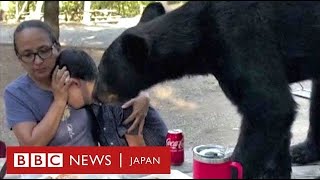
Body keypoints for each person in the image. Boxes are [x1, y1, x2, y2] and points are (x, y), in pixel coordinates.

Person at [3, 20, 151, 146]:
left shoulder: (73, 67)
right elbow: (31, 146)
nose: (38, 61)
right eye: (28, 55)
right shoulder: (16, 93)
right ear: (19, 58)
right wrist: (59, 101)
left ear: (57, 47)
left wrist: (143, 95)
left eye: (44, 50)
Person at [55, 48, 168, 146]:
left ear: (74, 83)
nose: (65, 100)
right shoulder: (92, 104)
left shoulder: (120, 97)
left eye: (64, 91)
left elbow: (141, 159)